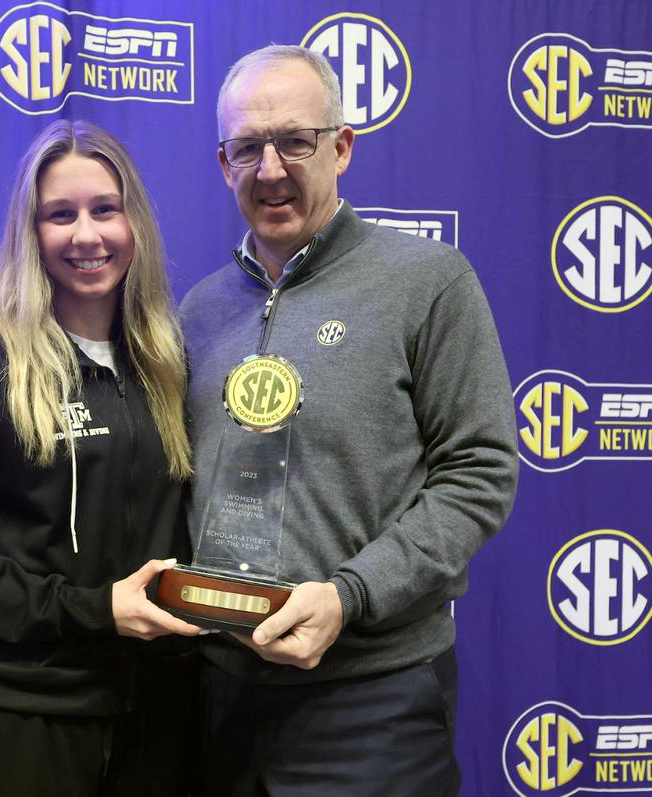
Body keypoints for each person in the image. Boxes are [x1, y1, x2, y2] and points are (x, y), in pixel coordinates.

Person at [179, 45, 520, 795]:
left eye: (294, 141)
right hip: (221, 697)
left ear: (342, 146)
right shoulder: (198, 312)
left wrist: (348, 594)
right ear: (222, 163)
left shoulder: (427, 283)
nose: (271, 168)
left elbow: (480, 474)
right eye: (247, 148)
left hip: (372, 698)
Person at [0, 119, 202, 796]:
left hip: (161, 725)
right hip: (23, 728)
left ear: (135, 224)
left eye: (105, 210)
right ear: (29, 233)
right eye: (60, 215)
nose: (86, 235)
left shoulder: (166, 361)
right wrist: (95, 609)